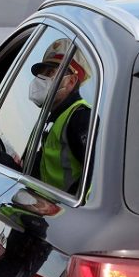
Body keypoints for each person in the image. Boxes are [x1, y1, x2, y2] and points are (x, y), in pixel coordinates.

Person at [27, 39, 91, 194]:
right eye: (42, 72)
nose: (41, 78)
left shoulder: (81, 118)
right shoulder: (54, 119)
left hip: (65, 215)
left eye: (50, 73)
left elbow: (95, 181)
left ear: (70, 81)